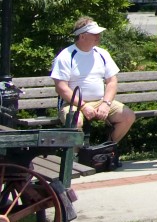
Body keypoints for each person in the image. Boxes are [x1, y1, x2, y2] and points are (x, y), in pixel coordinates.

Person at [51, 16, 134, 162]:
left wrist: (106, 103)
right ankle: (78, 157)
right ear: (82, 36)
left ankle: (107, 150)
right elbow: (61, 88)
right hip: (73, 104)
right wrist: (82, 106)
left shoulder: (102, 54)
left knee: (127, 116)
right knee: (75, 122)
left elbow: (112, 81)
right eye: (94, 34)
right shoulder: (66, 56)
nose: (98, 37)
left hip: (100, 101)